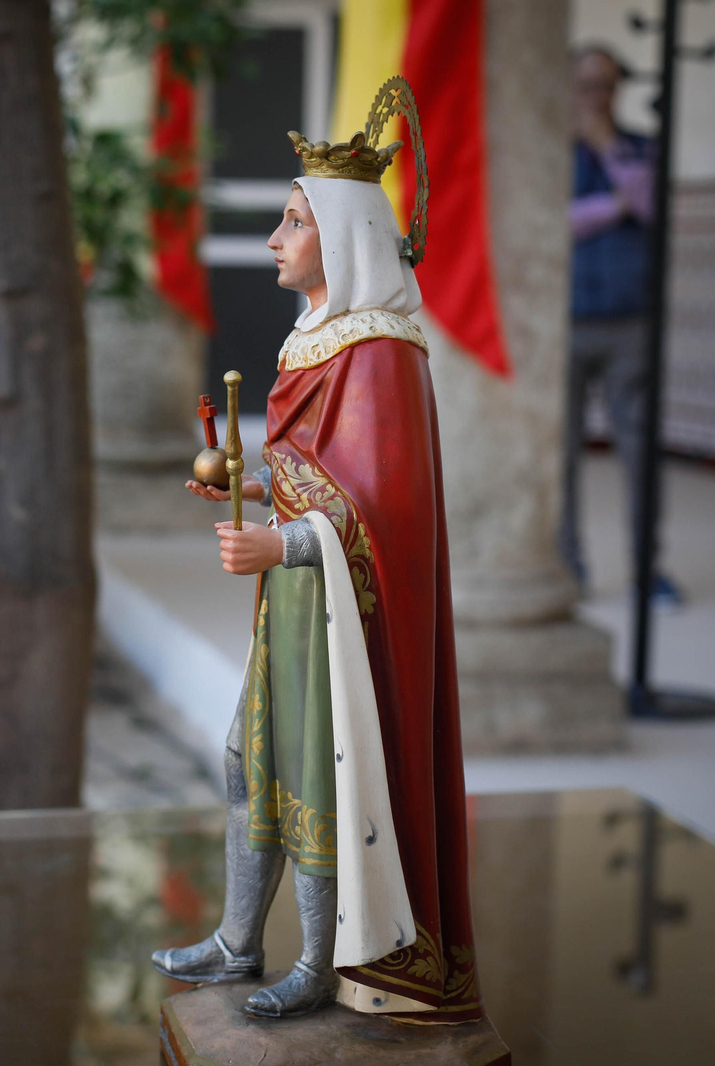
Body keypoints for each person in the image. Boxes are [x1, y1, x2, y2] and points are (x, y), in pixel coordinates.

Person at [153, 80, 481, 1024]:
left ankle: (321, 962)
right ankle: (235, 941)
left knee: (316, 776)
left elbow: (388, 516)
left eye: (293, 222)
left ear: (338, 239)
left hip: (344, 615)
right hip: (297, 600)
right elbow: (321, 480)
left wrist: (278, 539)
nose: (275, 240)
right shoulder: (318, 342)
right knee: (247, 765)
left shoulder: (379, 353)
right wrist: (248, 490)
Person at [562, 44, 682, 608]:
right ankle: (567, 565)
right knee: (559, 454)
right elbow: (553, 224)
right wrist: (616, 205)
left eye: (606, 85)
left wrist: (609, 150)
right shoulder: (551, 153)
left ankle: (646, 570)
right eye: (586, 85)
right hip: (563, 324)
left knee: (639, 452)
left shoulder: (639, 146)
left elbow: (652, 204)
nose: (596, 97)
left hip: (632, 321)